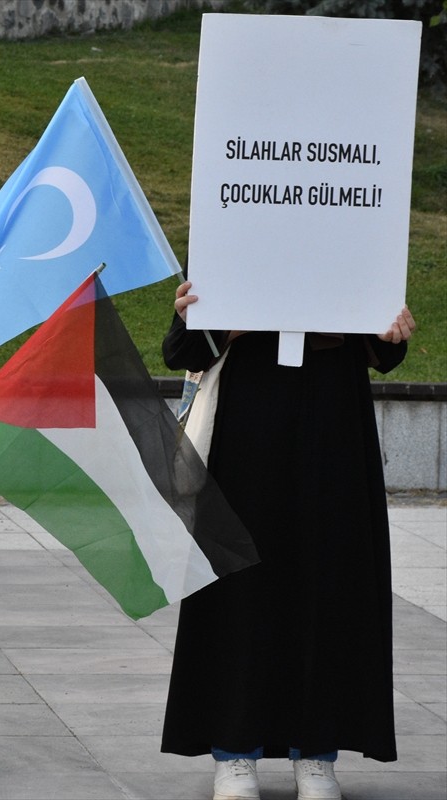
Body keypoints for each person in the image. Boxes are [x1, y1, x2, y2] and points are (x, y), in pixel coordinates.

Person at [161, 279, 416, 800]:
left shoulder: (353, 234)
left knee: (329, 578)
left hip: (334, 423)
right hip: (245, 424)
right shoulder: (230, 233)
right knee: (238, 582)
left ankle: (317, 752)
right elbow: (181, 351)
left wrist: (392, 331)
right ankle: (234, 751)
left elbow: (385, 351)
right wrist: (201, 317)